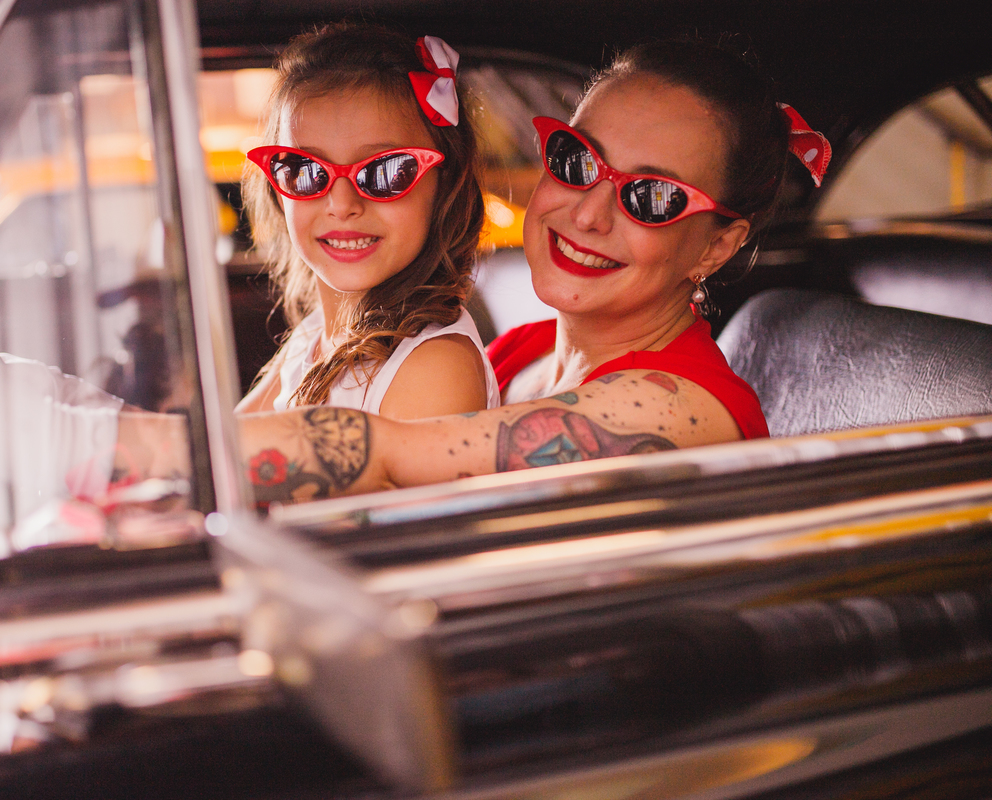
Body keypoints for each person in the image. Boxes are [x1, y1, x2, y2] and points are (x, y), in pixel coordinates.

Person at [199, 39, 831, 505]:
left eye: (652, 197)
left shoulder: (680, 411)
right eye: (575, 159)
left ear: (717, 248)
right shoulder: (521, 353)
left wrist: (132, 452)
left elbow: (387, 455)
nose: (587, 213)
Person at [235, 23, 499, 420]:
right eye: (304, 170)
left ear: (445, 187)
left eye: (386, 172)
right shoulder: (313, 338)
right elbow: (219, 447)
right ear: (276, 189)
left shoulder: (435, 367)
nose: (341, 204)